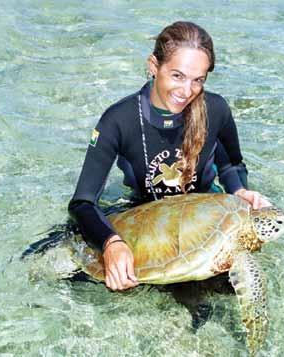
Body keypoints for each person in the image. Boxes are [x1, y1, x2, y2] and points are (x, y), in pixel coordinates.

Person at [68, 21, 271, 292]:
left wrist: (240, 190)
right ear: (154, 66)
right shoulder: (119, 119)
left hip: (207, 225)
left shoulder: (216, 109)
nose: (187, 91)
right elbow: (82, 203)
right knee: (69, 259)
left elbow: (230, 163)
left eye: (198, 80)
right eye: (177, 76)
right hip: (148, 216)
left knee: (216, 298)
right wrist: (111, 243)